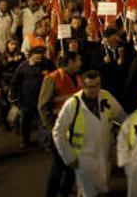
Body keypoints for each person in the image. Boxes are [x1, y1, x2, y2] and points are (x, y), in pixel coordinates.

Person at [52, 70, 126, 197]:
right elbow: (58, 132)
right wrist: (68, 156)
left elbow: (120, 115)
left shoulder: (105, 96)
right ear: (83, 86)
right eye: (91, 87)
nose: (95, 90)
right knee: (88, 192)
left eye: (98, 85)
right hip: (83, 158)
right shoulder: (73, 104)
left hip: (104, 153)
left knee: (102, 188)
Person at [39, 52, 83, 197]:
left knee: (71, 163)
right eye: (78, 60)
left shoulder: (76, 78)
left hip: (73, 128)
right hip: (59, 129)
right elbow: (43, 106)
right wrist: (52, 128)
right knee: (58, 166)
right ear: (70, 62)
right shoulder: (53, 78)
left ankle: (65, 191)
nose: (81, 63)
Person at [10, 46, 53, 147]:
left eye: (41, 54)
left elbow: (56, 75)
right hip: (26, 99)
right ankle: (24, 140)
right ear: (31, 55)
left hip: (42, 98)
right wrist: (14, 97)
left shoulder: (47, 64)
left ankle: (45, 143)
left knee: (43, 121)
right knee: (25, 121)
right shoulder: (23, 67)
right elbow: (15, 82)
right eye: (37, 54)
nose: (40, 56)